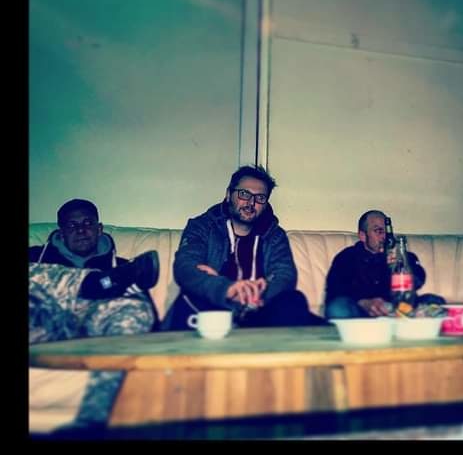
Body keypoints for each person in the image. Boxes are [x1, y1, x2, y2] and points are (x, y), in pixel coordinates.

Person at [29, 199, 160, 428]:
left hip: (98, 330)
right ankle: (95, 283)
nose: (81, 230)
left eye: (87, 223)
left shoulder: (125, 269)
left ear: (99, 229)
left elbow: (148, 320)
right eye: (72, 225)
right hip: (46, 324)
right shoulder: (35, 257)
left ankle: (93, 420)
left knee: (134, 308)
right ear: (61, 232)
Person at [163, 164, 325, 330]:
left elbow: (285, 275)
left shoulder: (275, 235)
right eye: (244, 194)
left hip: (257, 311)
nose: (251, 202)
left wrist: (260, 292)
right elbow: (186, 267)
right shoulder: (202, 226)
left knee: (293, 300)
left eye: (260, 197)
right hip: (213, 306)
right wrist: (227, 289)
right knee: (193, 295)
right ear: (228, 195)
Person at [324, 210, 445, 318]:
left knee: (435, 302)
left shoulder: (401, 254)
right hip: (362, 311)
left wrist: (399, 265)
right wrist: (364, 302)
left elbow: (418, 280)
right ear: (362, 236)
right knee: (337, 309)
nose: (384, 236)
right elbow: (335, 290)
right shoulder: (347, 257)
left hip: (398, 309)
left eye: (387, 230)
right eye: (378, 231)